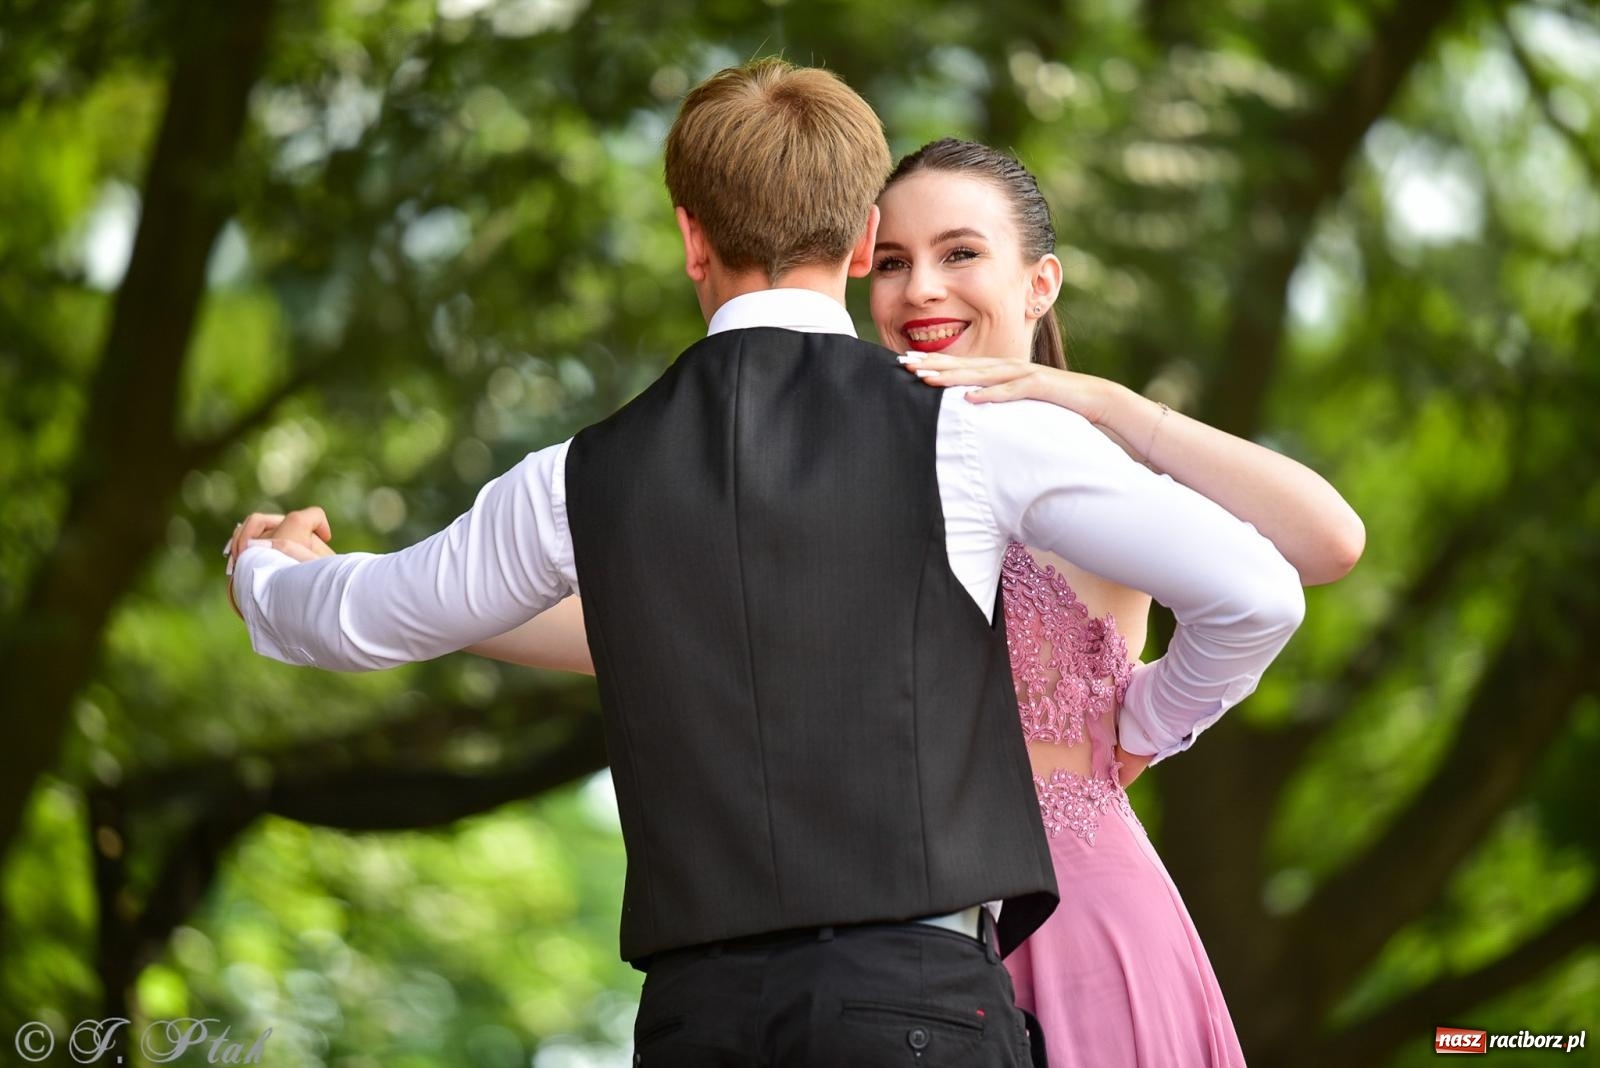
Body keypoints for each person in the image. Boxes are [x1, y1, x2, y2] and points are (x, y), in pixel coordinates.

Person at [227, 65, 1306, 1066]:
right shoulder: (971, 430)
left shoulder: (577, 475)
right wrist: (1147, 723)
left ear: (690, 238)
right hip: (918, 1004)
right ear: (861, 239)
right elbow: (1259, 589)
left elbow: (359, 620)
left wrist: (266, 570)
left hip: (701, 1020)